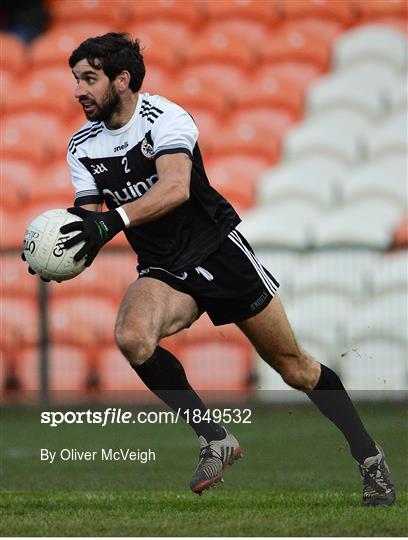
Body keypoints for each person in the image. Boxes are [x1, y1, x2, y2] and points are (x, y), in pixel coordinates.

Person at [23, 32, 395, 505]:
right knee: (133, 338)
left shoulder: (165, 118)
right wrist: (61, 249)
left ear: (123, 80)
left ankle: (369, 458)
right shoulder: (81, 147)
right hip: (163, 267)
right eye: (75, 79)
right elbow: (88, 217)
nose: (78, 90)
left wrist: (111, 222)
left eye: (89, 79)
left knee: (294, 369)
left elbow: (176, 187)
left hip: (219, 251)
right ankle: (214, 438)